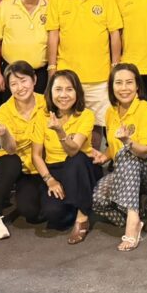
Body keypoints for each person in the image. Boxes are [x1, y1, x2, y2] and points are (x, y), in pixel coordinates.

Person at [93, 63, 147, 251]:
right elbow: (113, 146)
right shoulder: (110, 112)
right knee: (98, 199)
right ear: (111, 86)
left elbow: (144, 151)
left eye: (129, 82)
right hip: (128, 172)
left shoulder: (146, 109)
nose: (124, 88)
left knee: (127, 153)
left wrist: (127, 141)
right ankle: (138, 212)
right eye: (118, 83)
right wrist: (104, 156)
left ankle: (132, 221)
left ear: (137, 86)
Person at [46, 0, 123, 146]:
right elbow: (53, 35)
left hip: (100, 75)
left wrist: (115, 65)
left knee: (99, 123)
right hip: (68, 76)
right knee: (70, 122)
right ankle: (73, 158)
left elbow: (114, 33)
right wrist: (52, 67)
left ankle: (95, 159)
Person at [32, 69, 107, 243]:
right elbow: (36, 155)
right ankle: (79, 203)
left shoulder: (86, 115)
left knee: (77, 159)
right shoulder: (42, 116)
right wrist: (50, 180)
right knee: (53, 215)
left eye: (69, 89)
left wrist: (60, 131)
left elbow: (73, 150)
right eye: (58, 89)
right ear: (50, 92)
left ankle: (82, 217)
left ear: (77, 92)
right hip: (55, 170)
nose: (63, 95)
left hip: (81, 168)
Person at [0, 61, 48, 240]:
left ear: (34, 79)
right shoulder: (3, 111)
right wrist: (4, 133)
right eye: (13, 84)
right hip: (13, 160)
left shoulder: (47, 103)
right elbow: (10, 149)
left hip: (39, 164)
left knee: (33, 214)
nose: (20, 88)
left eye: (23, 81)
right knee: (11, 162)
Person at [0, 0, 50, 100]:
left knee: (41, 111)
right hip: (11, 73)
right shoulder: (5, 7)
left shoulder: (50, 7)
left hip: (41, 74)